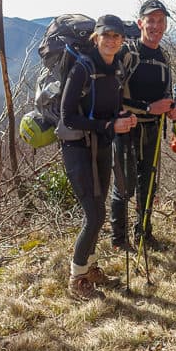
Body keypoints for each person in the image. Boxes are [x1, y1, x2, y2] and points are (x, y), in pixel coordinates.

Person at [61, 15, 138, 300]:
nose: (112, 40)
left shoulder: (116, 67)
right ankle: (77, 277)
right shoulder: (82, 68)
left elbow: (114, 108)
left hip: (102, 146)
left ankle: (90, 268)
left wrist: (124, 118)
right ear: (96, 37)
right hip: (77, 148)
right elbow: (67, 117)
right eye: (107, 35)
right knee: (93, 214)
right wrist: (108, 126)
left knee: (99, 210)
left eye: (117, 36)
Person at [109, 0, 176, 252]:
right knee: (124, 184)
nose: (156, 26)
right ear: (140, 23)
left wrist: (171, 108)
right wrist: (149, 107)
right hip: (128, 128)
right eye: (151, 20)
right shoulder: (128, 53)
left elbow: (166, 92)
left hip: (152, 130)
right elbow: (114, 95)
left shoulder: (163, 56)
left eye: (161, 21)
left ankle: (144, 233)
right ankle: (119, 240)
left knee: (148, 183)